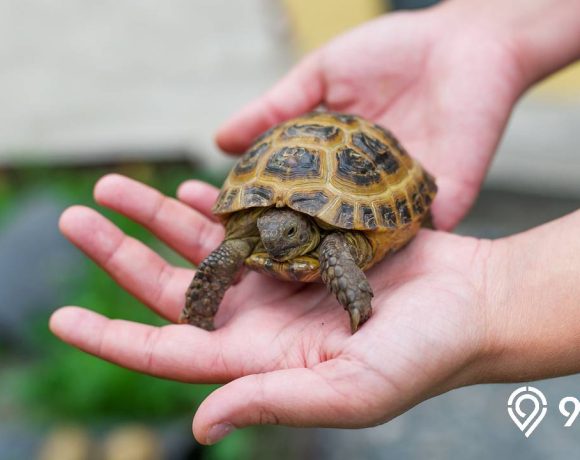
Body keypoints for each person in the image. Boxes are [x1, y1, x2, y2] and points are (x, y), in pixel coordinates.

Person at [50, 0, 580, 445]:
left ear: (303, 229)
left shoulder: (332, 241)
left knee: (332, 251)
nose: (273, 242)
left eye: (286, 234)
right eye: (267, 233)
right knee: (227, 254)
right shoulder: (254, 232)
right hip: (278, 174)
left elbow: (331, 252)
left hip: (355, 177)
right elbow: (229, 253)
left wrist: (367, 306)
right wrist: (203, 305)